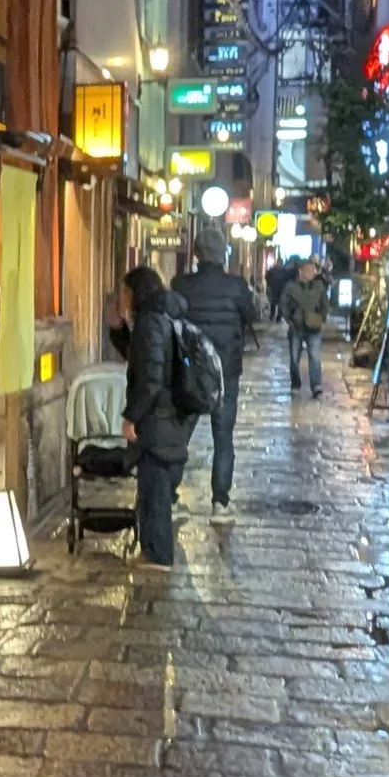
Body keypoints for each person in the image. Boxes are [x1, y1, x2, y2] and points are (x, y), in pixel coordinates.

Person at [170, 232, 258, 510]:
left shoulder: (181, 285)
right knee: (223, 438)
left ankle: (169, 493)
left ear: (196, 254)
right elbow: (252, 315)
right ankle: (220, 501)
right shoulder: (236, 286)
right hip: (226, 370)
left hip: (191, 371)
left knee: (180, 434)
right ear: (223, 255)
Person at [117, 258, 192, 566]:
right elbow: (143, 358)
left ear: (137, 291)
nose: (122, 298)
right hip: (171, 414)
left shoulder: (150, 322)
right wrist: (119, 329)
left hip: (158, 418)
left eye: (125, 292)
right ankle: (152, 548)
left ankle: (158, 554)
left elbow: (149, 378)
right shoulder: (165, 316)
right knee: (155, 486)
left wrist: (131, 416)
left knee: (156, 489)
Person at [285, 252, 331, 395]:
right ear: (301, 272)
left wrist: (322, 316)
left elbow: (325, 303)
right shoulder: (291, 286)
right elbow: (283, 304)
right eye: (309, 270)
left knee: (315, 357)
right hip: (296, 327)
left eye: (313, 270)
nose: (312, 273)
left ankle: (316, 384)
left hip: (313, 326)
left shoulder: (319, 286)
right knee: (294, 358)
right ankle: (295, 383)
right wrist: (289, 320)